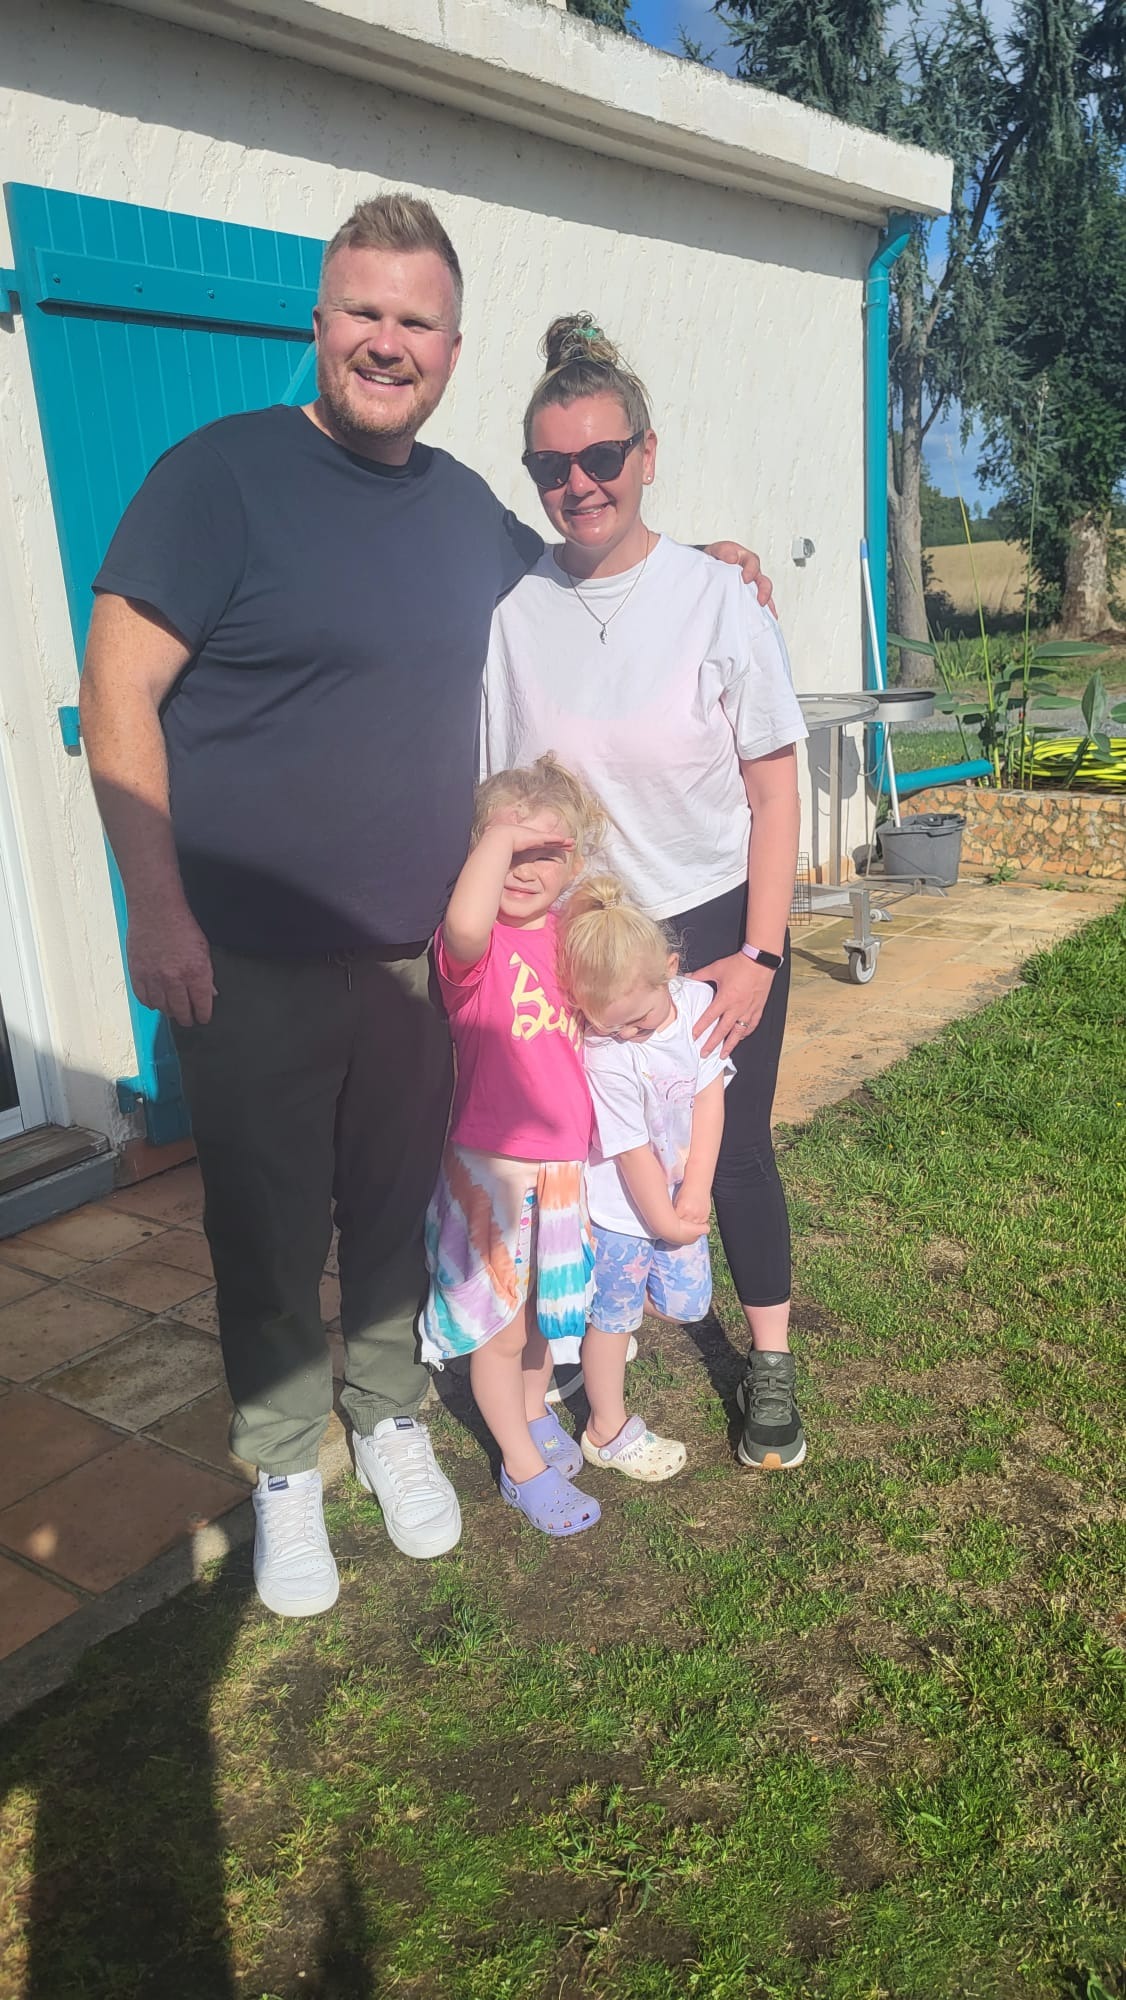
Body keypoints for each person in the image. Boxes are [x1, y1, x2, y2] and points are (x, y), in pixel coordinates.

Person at [79, 191, 774, 1619]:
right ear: (319, 321)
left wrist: (707, 569)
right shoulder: (216, 479)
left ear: (450, 349)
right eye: (363, 312)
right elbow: (116, 689)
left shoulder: (464, 509)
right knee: (269, 1224)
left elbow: (588, 565)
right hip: (249, 954)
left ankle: (390, 1410)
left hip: (421, 958)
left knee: (401, 1209)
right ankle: (285, 1465)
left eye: (417, 321)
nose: (386, 342)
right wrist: (157, 908)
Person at [484, 316, 810, 1471]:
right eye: (551, 465)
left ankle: (769, 1363)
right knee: (582, 1150)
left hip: (714, 923)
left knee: (733, 1145)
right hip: (579, 941)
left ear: (647, 453)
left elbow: (775, 789)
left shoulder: (719, 597)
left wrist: (760, 954)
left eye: (601, 457)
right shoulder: (511, 613)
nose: (578, 483)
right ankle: (580, 1355)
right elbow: (506, 794)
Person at [419, 757, 604, 1537]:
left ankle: (532, 1412)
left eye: (544, 854)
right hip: (491, 1171)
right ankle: (520, 1467)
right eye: (506, 850)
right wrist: (499, 839)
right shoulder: (475, 947)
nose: (523, 870)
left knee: (540, 1315)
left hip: (563, 1168)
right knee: (499, 1327)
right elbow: (464, 924)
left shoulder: (571, 938)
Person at [557, 876, 731, 1482]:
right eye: (612, 1027)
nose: (628, 1037)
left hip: (678, 1195)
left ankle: (595, 1323)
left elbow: (710, 1097)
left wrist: (696, 1190)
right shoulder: (604, 1053)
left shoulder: (697, 1005)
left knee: (687, 1304)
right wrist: (664, 1222)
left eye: (639, 1021)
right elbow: (630, 1153)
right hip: (621, 1212)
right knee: (615, 1319)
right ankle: (605, 1428)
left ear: (670, 973)